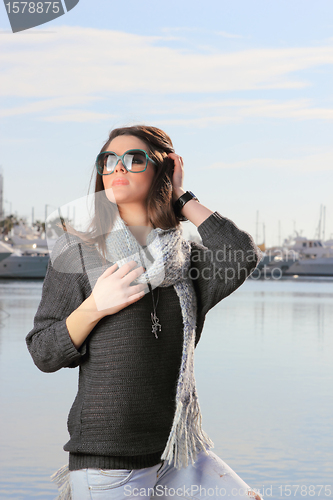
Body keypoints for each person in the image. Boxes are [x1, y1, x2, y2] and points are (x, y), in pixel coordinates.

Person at [26, 125, 264, 500]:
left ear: (161, 170)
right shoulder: (79, 251)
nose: (117, 168)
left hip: (175, 451)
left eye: (134, 159)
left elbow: (241, 252)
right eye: (108, 160)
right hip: (109, 463)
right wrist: (94, 306)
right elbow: (43, 351)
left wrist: (183, 196)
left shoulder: (191, 263)